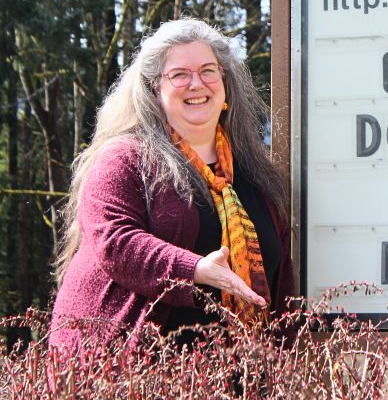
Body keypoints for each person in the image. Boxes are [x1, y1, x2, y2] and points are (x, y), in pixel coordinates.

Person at [49, 18, 293, 351]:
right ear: (155, 90)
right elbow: (115, 243)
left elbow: (282, 287)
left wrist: (286, 364)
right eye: (179, 75)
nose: (197, 84)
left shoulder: (256, 175)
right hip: (126, 371)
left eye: (209, 71)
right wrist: (196, 269)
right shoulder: (124, 158)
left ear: (225, 84)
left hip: (237, 377)